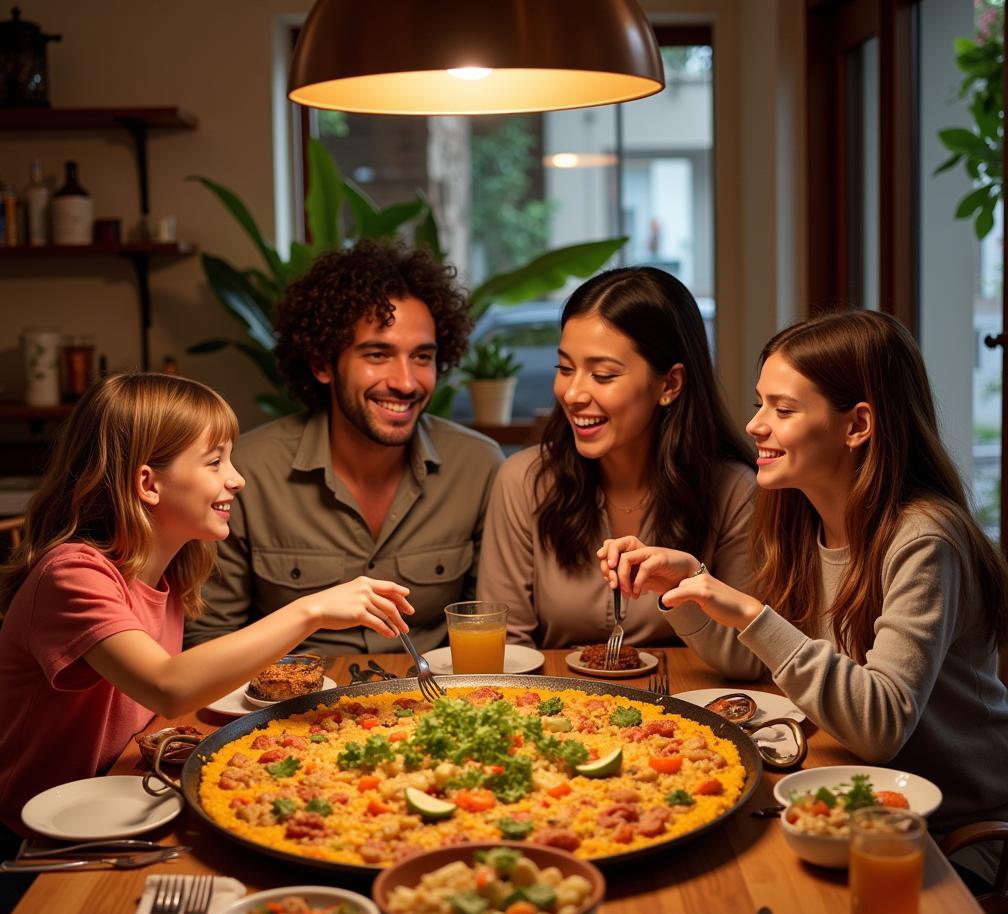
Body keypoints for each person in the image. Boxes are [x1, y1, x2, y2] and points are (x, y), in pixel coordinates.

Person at [601, 309, 1008, 868]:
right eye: (759, 402)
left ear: (857, 425)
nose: (754, 425)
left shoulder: (924, 538)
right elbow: (759, 661)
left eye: (782, 408)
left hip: (947, 839)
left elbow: (879, 725)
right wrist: (689, 587)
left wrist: (745, 609)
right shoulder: (804, 516)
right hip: (848, 806)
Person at [0, 372, 414, 841]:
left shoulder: (164, 570)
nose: (237, 478)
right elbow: (168, 688)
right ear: (148, 483)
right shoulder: (71, 575)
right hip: (27, 839)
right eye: (214, 462)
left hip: (122, 801)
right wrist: (309, 610)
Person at [185, 240, 504, 659]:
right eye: (378, 354)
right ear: (321, 363)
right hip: (295, 710)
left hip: (435, 703)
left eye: (422, 356)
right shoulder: (248, 472)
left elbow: (489, 623)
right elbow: (209, 639)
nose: (406, 382)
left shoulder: (477, 467)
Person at [477, 265, 762, 678]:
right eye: (565, 368)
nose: (573, 394)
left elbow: (747, 659)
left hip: (684, 711)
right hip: (558, 712)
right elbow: (505, 650)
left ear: (670, 384)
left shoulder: (735, 490)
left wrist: (678, 588)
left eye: (603, 375)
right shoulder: (523, 481)